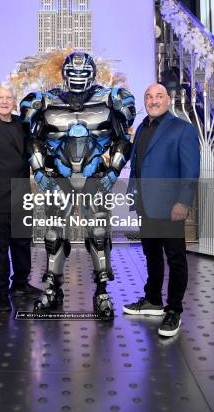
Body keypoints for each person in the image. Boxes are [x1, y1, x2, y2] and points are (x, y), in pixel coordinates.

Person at [20, 52, 135, 318]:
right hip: (57, 178)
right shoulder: (45, 101)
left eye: (84, 73)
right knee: (53, 234)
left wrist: (113, 172)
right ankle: (52, 287)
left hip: (97, 177)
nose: (79, 78)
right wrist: (39, 172)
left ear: (93, 73)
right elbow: (33, 140)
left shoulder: (109, 99)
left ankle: (102, 291)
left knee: (98, 232)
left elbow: (122, 140)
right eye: (74, 72)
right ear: (64, 73)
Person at [123, 83, 200, 337]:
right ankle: (153, 300)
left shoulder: (183, 130)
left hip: (170, 207)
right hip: (146, 203)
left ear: (168, 100)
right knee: (151, 253)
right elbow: (137, 163)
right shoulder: (143, 127)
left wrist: (183, 202)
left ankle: (174, 310)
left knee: (175, 258)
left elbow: (190, 170)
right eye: (148, 97)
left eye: (158, 96)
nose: (153, 101)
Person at [0, 82, 42, 312]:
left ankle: (20, 284)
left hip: (21, 197)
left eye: (9, 98)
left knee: (22, 244)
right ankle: (0, 292)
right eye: (0, 97)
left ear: (14, 101)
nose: (4, 101)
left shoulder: (22, 126)